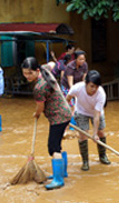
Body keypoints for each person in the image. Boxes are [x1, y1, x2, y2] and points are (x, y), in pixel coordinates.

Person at [21, 57, 73, 190]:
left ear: (37, 70)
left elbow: (40, 107)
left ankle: (58, 179)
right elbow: (52, 64)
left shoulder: (39, 87)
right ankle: (62, 173)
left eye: (30, 73)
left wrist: (36, 114)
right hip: (65, 112)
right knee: (57, 145)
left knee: (53, 147)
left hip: (58, 117)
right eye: (25, 73)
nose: (27, 76)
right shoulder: (45, 69)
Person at [66, 70, 110, 171]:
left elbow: (96, 116)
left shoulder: (101, 94)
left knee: (101, 133)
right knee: (83, 135)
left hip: (96, 113)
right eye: (91, 86)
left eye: (96, 86)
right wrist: (66, 114)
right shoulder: (77, 88)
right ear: (86, 83)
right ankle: (85, 161)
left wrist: (94, 134)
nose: (94, 89)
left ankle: (102, 156)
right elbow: (67, 100)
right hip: (81, 112)